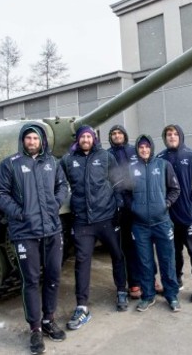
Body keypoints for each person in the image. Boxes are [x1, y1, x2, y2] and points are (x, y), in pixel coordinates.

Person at [0, 123, 69, 355]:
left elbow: (62, 185)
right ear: (23, 141)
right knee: (32, 280)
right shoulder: (11, 164)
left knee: (54, 276)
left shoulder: (52, 162)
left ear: (42, 141)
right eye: (29, 138)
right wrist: (19, 212)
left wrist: (56, 203)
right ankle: (35, 328)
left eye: (36, 138)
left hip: (52, 230)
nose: (32, 142)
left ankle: (49, 320)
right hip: (26, 231)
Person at [60, 125, 128, 331]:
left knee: (117, 255)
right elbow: (58, 183)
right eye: (83, 137)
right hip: (82, 222)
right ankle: (82, 306)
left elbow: (118, 182)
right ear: (78, 140)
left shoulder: (105, 157)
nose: (86, 139)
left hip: (107, 218)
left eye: (89, 136)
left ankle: (121, 291)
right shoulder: (68, 160)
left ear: (94, 139)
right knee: (82, 262)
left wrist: (118, 205)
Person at [128, 134, 181, 312]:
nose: (144, 149)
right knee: (145, 262)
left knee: (167, 260)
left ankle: (172, 295)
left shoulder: (163, 165)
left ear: (151, 148)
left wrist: (164, 205)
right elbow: (124, 193)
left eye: (147, 146)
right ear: (138, 149)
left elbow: (175, 189)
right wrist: (133, 207)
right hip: (140, 225)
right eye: (141, 147)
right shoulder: (132, 168)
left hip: (162, 222)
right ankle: (148, 295)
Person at [157, 124, 192, 303]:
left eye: (174, 134)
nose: (171, 137)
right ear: (165, 138)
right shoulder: (160, 158)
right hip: (169, 217)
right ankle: (176, 280)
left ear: (180, 136)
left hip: (189, 217)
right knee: (174, 252)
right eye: (168, 134)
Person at [106, 124, 142, 299]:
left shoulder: (134, 150)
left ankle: (149, 278)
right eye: (113, 133)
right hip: (119, 207)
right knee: (126, 247)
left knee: (144, 244)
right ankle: (134, 283)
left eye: (119, 133)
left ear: (125, 135)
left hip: (138, 203)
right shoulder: (107, 155)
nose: (117, 135)